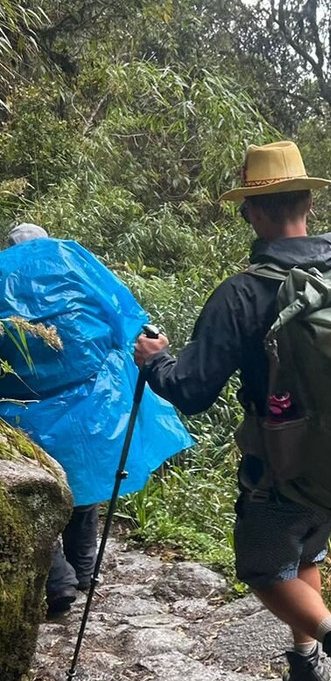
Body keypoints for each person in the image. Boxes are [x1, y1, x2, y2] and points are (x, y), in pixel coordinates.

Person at [134, 141, 331, 681]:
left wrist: (155, 361)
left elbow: (193, 390)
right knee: (305, 553)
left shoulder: (244, 292)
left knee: (261, 567)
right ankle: (304, 669)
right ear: (305, 202)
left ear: (253, 211)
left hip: (279, 461)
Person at [0, 223, 192, 617]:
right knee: (85, 483)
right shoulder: (73, 261)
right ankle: (84, 571)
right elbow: (121, 314)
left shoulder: (4, 273)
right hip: (91, 398)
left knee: (38, 491)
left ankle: (58, 582)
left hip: (25, 406)